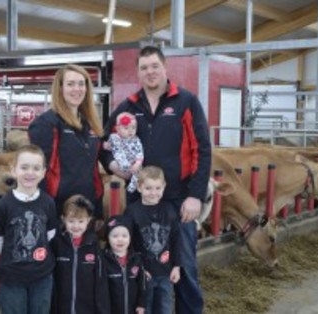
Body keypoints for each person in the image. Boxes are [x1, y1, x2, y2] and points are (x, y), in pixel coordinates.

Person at [103, 45, 212, 314]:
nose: (150, 72)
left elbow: (202, 149)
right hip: (139, 201)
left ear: (165, 68)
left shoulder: (185, 101)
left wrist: (195, 195)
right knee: (141, 265)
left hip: (177, 200)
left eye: (154, 66)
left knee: (183, 265)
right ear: (138, 73)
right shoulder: (128, 107)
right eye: (144, 68)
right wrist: (114, 166)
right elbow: (104, 145)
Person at [28, 64, 104, 219]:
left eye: (81, 84)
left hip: (87, 207)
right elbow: (37, 173)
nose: (77, 89)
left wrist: (99, 208)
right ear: (60, 88)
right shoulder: (46, 124)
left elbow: (93, 169)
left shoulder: (90, 125)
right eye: (70, 84)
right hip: (58, 209)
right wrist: (43, 213)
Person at [0, 145, 57, 314]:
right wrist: (12, 252)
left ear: (43, 172)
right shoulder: (4, 204)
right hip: (12, 276)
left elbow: (49, 233)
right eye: (24, 167)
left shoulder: (48, 202)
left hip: (41, 275)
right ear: (14, 170)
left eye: (36, 168)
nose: (30, 173)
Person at [124, 166, 181, 314]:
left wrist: (177, 266)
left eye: (157, 188)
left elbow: (176, 240)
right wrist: (137, 267)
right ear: (139, 187)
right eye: (148, 188)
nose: (153, 193)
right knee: (145, 307)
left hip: (166, 272)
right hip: (144, 273)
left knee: (165, 307)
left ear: (164, 187)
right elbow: (128, 243)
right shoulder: (132, 211)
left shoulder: (169, 210)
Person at [50, 194, 110, 314]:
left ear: (88, 220)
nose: (76, 226)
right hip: (61, 308)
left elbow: (100, 282)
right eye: (71, 221)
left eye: (81, 221)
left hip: (87, 308)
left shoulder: (93, 245)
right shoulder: (56, 243)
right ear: (63, 219)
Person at [103, 215, 146, 314]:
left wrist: (141, 304)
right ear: (108, 238)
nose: (120, 239)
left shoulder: (136, 259)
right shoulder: (104, 260)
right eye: (115, 236)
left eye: (124, 235)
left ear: (130, 237)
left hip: (133, 310)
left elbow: (142, 284)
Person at [103, 112, 144, 193]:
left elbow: (140, 153)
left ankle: (131, 188)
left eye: (133, 128)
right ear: (117, 129)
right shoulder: (114, 137)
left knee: (139, 172)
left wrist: (138, 163)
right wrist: (106, 146)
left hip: (133, 161)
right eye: (126, 128)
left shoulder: (136, 140)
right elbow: (109, 146)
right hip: (120, 161)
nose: (130, 131)